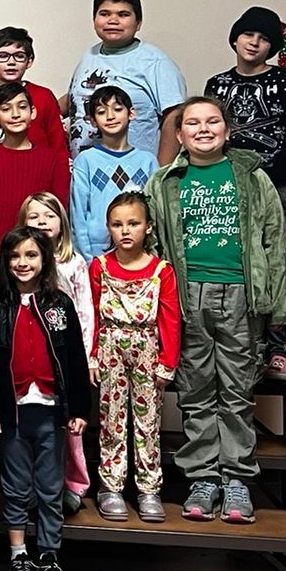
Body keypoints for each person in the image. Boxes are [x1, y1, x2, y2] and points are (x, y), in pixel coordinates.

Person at [146, 96, 286, 525]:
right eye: (193, 123)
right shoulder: (165, 182)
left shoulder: (252, 177)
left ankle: (237, 479)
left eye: (212, 121)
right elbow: (154, 247)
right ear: (180, 134)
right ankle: (203, 478)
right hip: (187, 297)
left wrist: (275, 307)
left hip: (241, 295)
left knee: (237, 390)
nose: (203, 129)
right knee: (195, 390)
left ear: (227, 129)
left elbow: (273, 241)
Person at [0, 227, 93, 571]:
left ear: (45, 259)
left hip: (52, 410)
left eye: (30, 255)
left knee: (50, 488)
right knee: (16, 488)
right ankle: (18, 555)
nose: (22, 263)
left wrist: (78, 407)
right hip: (13, 411)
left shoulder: (59, 304)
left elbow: (75, 360)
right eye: (15, 256)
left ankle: (49, 555)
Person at [87, 193, 180, 523]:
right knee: (111, 418)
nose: (125, 231)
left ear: (148, 227)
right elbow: (93, 314)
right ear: (108, 228)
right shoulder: (99, 267)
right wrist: (94, 356)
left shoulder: (161, 271)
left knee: (148, 421)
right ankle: (110, 487)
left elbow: (170, 318)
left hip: (147, 347)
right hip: (111, 344)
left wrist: (167, 361)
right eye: (117, 224)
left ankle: (149, 489)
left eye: (133, 223)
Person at [19, 191, 94, 513]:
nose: (42, 222)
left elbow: (86, 311)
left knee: (70, 425)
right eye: (34, 217)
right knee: (38, 427)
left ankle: (74, 484)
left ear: (61, 223)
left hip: (65, 355)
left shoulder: (73, 263)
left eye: (49, 216)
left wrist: (87, 356)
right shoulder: (21, 263)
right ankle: (37, 485)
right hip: (32, 356)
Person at [64, 0, 186, 165]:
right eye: (104, 14)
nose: (113, 20)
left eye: (123, 14)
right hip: (86, 170)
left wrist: (159, 174)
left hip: (134, 173)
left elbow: (175, 116)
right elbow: (77, 96)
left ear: (138, 22)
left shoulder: (155, 62)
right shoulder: (89, 55)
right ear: (94, 19)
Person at [205, 7, 286, 218]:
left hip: (272, 183)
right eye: (248, 34)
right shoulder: (217, 84)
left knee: (268, 246)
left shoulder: (284, 81)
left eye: (263, 38)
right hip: (224, 181)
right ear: (235, 39)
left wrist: (270, 175)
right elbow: (207, 133)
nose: (254, 42)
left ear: (271, 47)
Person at [0, 81, 70, 271]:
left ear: (33, 112)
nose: (15, 114)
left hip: (41, 258)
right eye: (6, 109)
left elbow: (59, 208)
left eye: (22, 107)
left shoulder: (51, 159)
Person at [70, 85, 158, 258]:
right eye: (102, 112)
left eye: (117, 109)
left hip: (140, 253)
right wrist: (88, 261)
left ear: (131, 113)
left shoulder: (148, 161)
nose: (110, 117)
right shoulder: (86, 160)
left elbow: (155, 212)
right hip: (96, 253)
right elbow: (78, 216)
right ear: (92, 120)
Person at [0, 26, 67, 153]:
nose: (11, 62)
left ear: (29, 61)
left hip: (39, 169)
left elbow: (59, 145)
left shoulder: (44, 96)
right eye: (3, 56)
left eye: (19, 56)